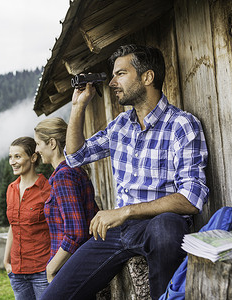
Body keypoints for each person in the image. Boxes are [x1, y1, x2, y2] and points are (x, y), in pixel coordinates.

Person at [41, 44, 209, 300]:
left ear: (147, 77)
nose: (111, 82)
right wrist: (78, 107)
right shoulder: (120, 125)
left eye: (120, 73)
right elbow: (75, 157)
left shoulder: (182, 125)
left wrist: (126, 210)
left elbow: (191, 199)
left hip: (160, 225)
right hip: (120, 231)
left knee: (166, 226)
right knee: (53, 297)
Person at [34, 117, 98, 284]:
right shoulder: (73, 170)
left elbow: (76, 232)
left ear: (52, 143)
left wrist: (51, 268)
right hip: (75, 264)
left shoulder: (64, 176)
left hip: (67, 268)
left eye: (38, 143)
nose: (36, 149)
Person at [3, 137, 52, 300]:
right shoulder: (11, 189)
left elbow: (57, 228)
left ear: (33, 157)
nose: (12, 162)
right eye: (10, 157)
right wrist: (6, 260)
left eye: (18, 156)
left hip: (42, 270)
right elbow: (13, 226)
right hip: (16, 271)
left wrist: (53, 266)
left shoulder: (47, 189)